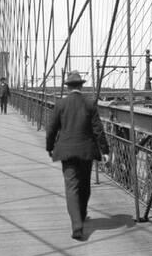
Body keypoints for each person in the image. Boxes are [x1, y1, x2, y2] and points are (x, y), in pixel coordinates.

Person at [45, 71, 110, 240]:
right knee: (85, 185)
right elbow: (98, 130)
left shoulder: (61, 104)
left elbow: (51, 129)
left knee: (71, 187)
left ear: (68, 87)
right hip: (86, 151)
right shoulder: (89, 104)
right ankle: (81, 215)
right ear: (81, 86)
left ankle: (77, 225)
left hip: (66, 151)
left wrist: (49, 147)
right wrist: (106, 151)